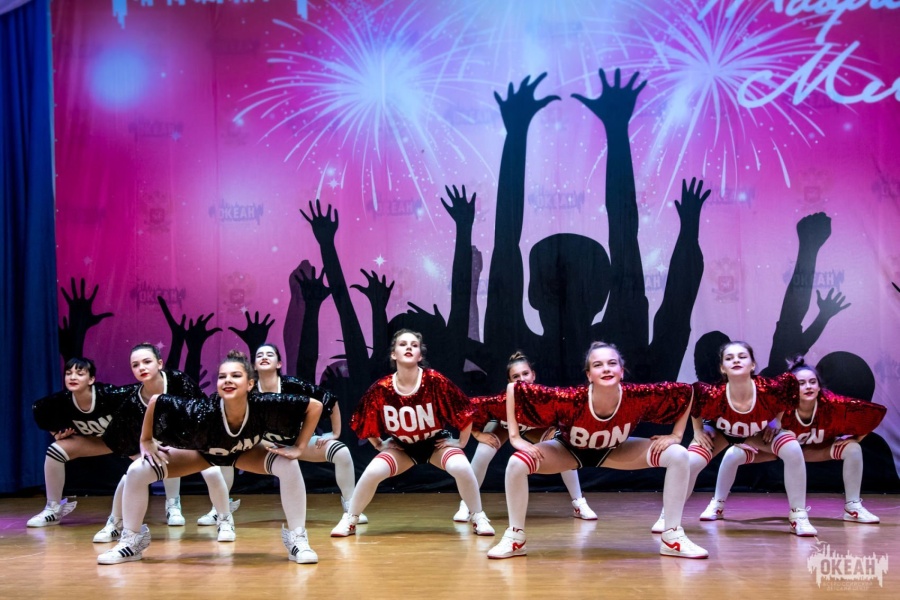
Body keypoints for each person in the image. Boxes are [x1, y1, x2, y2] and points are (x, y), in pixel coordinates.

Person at [97, 350, 323, 565]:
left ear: (250, 384)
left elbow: (314, 406)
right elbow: (156, 401)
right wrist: (145, 440)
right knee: (137, 470)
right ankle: (130, 542)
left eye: (236, 375)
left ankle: (298, 540)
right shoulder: (202, 410)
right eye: (222, 376)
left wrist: (299, 447)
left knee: (288, 463)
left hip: (243, 453)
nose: (228, 380)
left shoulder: (264, 404)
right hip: (203, 455)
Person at [487, 342, 706, 559]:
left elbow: (686, 392)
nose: (606, 369)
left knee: (678, 454)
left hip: (615, 451)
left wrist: (676, 435)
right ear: (589, 375)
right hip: (569, 451)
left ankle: (672, 537)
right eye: (598, 365)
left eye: (612, 363)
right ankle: (515, 538)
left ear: (622, 370)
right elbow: (514, 389)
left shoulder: (636, 396)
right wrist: (515, 438)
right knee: (517, 463)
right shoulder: (571, 399)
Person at [330, 329, 495, 538]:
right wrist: (379, 444)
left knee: (462, 467)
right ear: (393, 354)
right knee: (372, 472)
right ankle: (350, 519)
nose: (409, 347)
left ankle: (478, 516)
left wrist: (461, 442)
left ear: (419, 355)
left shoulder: (434, 380)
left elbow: (464, 410)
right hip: (403, 449)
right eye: (403, 344)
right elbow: (362, 419)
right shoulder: (382, 388)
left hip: (435, 445)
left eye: (414, 345)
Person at [699, 356, 886, 524]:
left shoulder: (832, 405)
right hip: (775, 450)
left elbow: (874, 413)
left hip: (811, 451)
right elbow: (744, 419)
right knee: (733, 454)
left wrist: (856, 438)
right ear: (791, 389)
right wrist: (744, 440)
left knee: (853, 449)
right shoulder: (778, 405)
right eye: (801, 383)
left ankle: (853, 507)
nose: (808, 387)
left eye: (812, 382)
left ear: (819, 386)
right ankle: (717, 504)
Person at [670, 341, 814, 535]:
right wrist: (698, 430)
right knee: (690, 463)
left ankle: (799, 516)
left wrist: (776, 422)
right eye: (729, 358)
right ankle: (669, 518)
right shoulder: (714, 393)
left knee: (792, 447)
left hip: (755, 434)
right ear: (723, 368)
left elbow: (785, 395)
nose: (736, 360)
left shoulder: (769, 389)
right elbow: (694, 401)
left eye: (742, 356)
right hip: (721, 433)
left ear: (753, 364)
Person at [94, 343, 232, 542]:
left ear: (159, 363)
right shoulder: (132, 402)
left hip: (194, 445)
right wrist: (143, 454)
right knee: (130, 475)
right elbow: (119, 441)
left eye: (147, 362)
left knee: (212, 471)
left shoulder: (179, 381)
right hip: (166, 453)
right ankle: (114, 524)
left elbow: (204, 412)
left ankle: (225, 521)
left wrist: (199, 443)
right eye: (135, 365)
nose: (141, 367)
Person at [454, 351, 597, 522]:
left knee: (563, 449)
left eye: (525, 374)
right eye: (516, 376)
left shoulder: (546, 398)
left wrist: (559, 432)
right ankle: (468, 504)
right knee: (484, 450)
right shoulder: (501, 401)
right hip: (505, 425)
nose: (521, 379)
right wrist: (477, 434)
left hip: (535, 427)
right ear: (509, 382)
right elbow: (469, 409)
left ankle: (579, 502)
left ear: (533, 375)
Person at [27, 358, 135, 527]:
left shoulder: (109, 395)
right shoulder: (62, 401)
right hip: (97, 443)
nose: (72, 377)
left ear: (91, 379)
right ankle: (53, 509)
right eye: (68, 373)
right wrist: (56, 433)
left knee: (162, 454)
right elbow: (39, 409)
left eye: (80, 373)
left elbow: (138, 399)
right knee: (56, 450)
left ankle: (173, 505)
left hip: (126, 440)